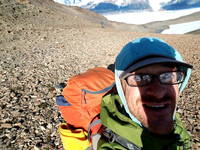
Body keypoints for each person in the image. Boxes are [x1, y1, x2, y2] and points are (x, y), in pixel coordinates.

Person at [97, 37, 193, 150]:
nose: (158, 93)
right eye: (139, 77)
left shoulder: (175, 122)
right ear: (121, 88)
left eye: (167, 76)